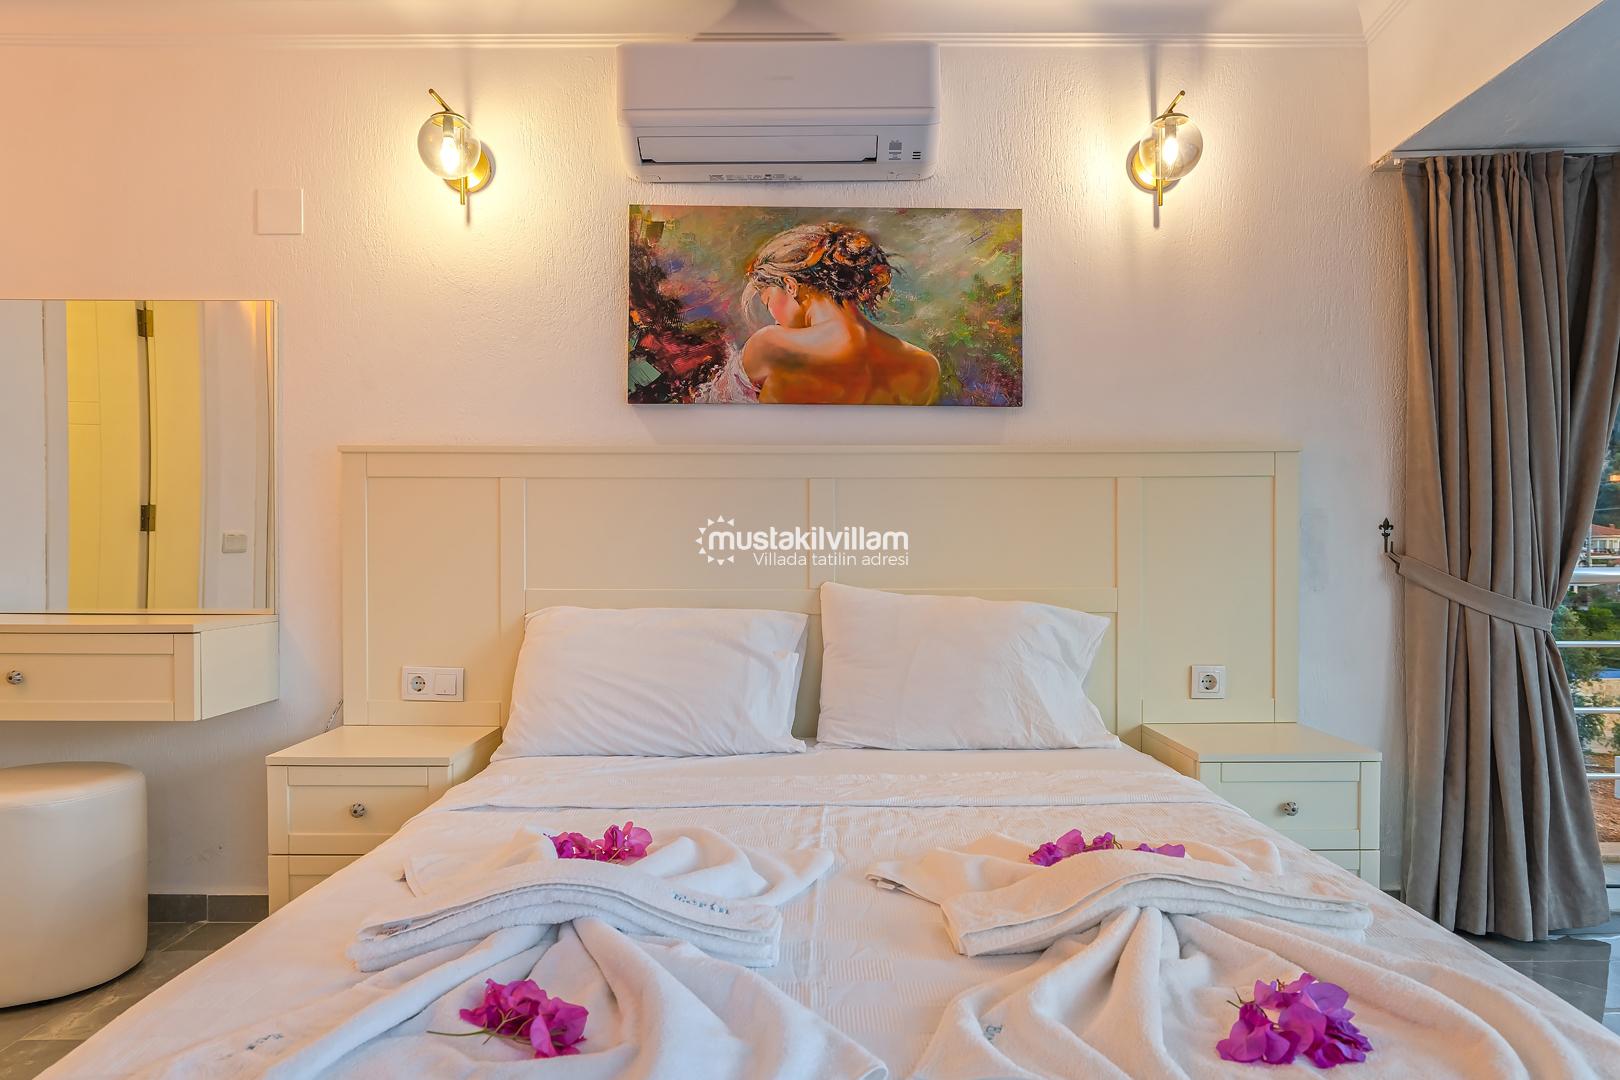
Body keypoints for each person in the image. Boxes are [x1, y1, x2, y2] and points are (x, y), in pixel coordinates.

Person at [736, 223, 940, 405]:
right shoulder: (924, 367)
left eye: (768, 302)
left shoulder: (770, 346)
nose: (774, 318)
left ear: (790, 286)